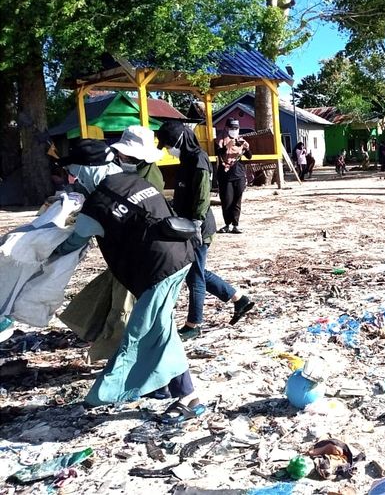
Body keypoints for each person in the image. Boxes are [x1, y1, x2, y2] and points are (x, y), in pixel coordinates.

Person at [52, 139, 205, 422]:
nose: (72, 178)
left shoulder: (97, 204)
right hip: (180, 256)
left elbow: (73, 243)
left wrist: (42, 254)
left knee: (141, 334)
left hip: (157, 270)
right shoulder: (135, 181)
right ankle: (170, 388)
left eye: (73, 171)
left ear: (86, 169)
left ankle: (114, 394)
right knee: (160, 328)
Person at [59, 127, 167, 362]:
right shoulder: (127, 179)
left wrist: (50, 253)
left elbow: (77, 239)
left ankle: (120, 360)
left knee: (125, 310)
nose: (72, 178)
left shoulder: (113, 192)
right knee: (107, 296)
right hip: (149, 256)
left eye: (75, 173)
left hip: (144, 261)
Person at [155, 121, 254, 338]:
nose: (169, 149)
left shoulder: (198, 159)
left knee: (195, 276)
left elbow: (202, 196)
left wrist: (196, 224)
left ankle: (194, 325)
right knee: (196, 271)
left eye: (169, 144)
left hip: (198, 227)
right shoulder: (186, 159)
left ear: (180, 139)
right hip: (186, 225)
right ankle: (239, 299)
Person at [216, 118, 252, 234]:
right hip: (225, 175)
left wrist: (247, 148)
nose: (234, 131)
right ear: (226, 128)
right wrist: (227, 146)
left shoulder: (240, 140)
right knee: (227, 200)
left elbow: (249, 156)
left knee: (237, 200)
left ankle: (235, 225)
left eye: (236, 128)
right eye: (232, 128)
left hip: (239, 174)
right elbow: (217, 152)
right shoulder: (220, 140)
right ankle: (227, 224)